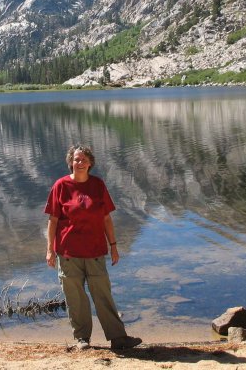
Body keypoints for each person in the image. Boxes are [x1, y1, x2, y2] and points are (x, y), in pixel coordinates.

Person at [44, 144, 142, 351]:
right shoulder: (60, 186)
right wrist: (50, 250)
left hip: (96, 251)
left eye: (83, 160)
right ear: (70, 161)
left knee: (103, 295)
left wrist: (114, 246)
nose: (79, 163)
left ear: (90, 164)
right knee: (75, 298)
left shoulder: (98, 185)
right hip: (68, 253)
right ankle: (82, 339)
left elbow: (106, 218)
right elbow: (52, 221)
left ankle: (118, 338)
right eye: (76, 159)